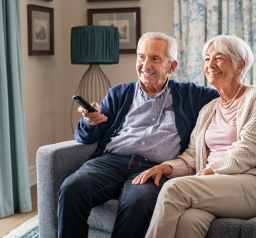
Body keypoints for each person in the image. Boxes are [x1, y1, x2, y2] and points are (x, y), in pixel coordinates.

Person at [58, 32, 219, 238]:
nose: (145, 64)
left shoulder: (192, 95)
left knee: (139, 202)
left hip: (154, 170)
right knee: (72, 188)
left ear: (172, 66)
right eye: (141, 57)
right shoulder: (118, 93)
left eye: (154, 58)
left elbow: (230, 93)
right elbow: (86, 137)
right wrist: (89, 121)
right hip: (111, 162)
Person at [133, 35, 256, 238]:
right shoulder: (209, 109)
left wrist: (209, 171)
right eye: (207, 58)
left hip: (253, 183)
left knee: (173, 189)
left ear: (240, 65)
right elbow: (193, 157)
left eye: (219, 58)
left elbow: (249, 152)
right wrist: (163, 167)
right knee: (188, 221)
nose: (210, 64)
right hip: (215, 184)